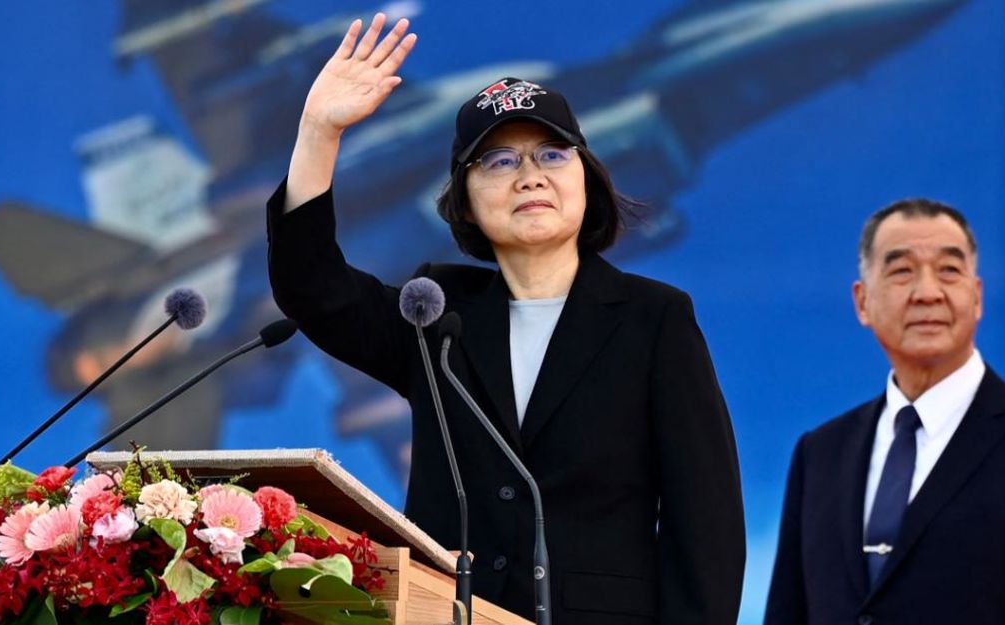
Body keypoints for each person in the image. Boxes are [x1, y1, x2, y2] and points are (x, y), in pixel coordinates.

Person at [266, 14, 745, 625]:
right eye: (498, 162)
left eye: (552, 153)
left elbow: (705, 523)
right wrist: (317, 133)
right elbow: (314, 288)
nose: (530, 175)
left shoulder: (655, 320)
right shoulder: (433, 312)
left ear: (587, 181)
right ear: (463, 200)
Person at [764, 199, 1005, 625]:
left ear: (977, 296)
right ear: (862, 302)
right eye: (901, 271)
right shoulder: (820, 453)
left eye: (949, 270)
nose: (927, 292)